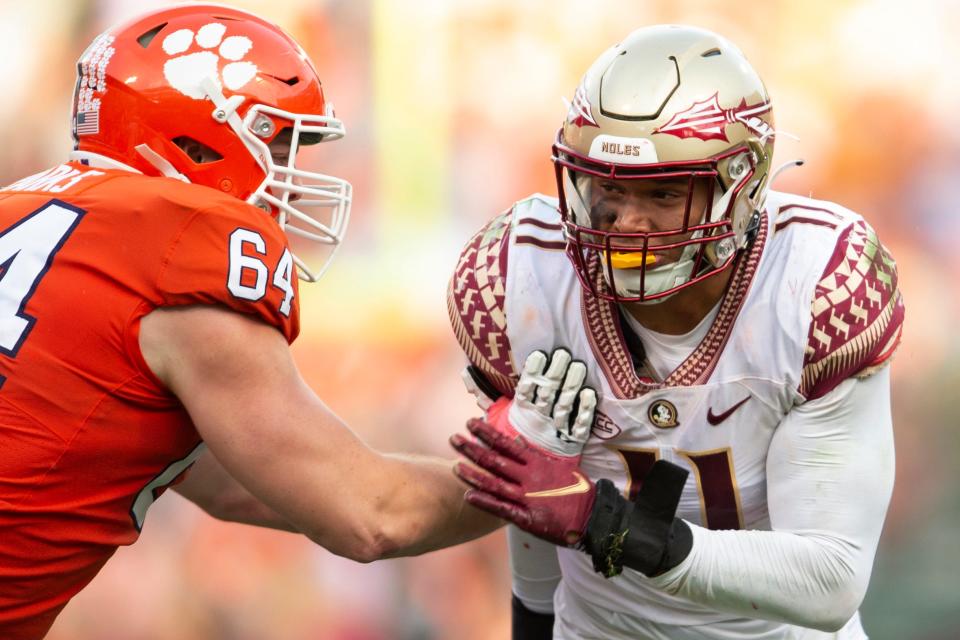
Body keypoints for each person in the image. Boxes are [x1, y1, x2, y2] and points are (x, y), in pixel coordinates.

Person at [0, 6, 512, 638]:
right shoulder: (181, 241)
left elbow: (238, 486)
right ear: (192, 138)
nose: (294, 182)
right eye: (274, 143)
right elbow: (370, 513)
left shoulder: (23, 204)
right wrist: (528, 471)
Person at [447, 24, 904, 639]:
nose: (629, 222)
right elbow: (534, 501)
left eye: (664, 192)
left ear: (739, 189)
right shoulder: (518, 281)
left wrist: (611, 526)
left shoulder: (815, 286)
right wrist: (532, 620)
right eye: (610, 187)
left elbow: (830, 577)